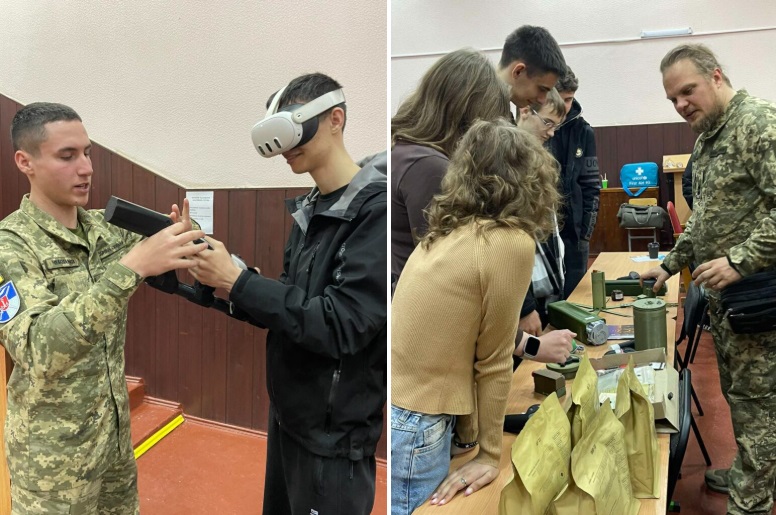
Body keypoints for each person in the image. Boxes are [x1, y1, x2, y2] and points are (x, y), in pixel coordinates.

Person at [187, 73, 386, 515]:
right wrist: (230, 278)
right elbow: (293, 305)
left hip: (332, 440)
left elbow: (341, 324)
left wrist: (240, 283)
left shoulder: (375, 213)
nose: (285, 150)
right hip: (289, 419)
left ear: (335, 119)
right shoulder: (311, 208)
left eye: (295, 131)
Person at [0, 102, 207, 513]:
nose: (86, 168)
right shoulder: (11, 245)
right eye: (67, 156)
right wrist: (132, 268)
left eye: (87, 152)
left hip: (112, 445)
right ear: (26, 162)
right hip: (54, 465)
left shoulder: (103, 228)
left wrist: (185, 231)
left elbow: (183, 237)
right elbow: (38, 348)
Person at [391, 118, 563, 513]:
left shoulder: (445, 232)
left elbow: (463, 342)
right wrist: (489, 454)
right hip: (419, 422)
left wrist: (469, 434)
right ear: (531, 178)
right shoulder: (509, 241)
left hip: (407, 413)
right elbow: (494, 360)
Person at [642, 44, 776, 515]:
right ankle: (748, 471)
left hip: (758, 295)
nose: (681, 105)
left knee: (758, 402)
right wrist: (669, 264)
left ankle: (751, 502)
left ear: (716, 76)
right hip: (729, 302)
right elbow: (702, 220)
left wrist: (740, 260)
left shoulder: (758, 124)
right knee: (740, 395)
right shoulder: (707, 137)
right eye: (672, 99)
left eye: (688, 91)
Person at [516, 88, 568, 326]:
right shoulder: (506, 160)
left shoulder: (539, 158)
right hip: (523, 290)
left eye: (556, 126)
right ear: (525, 110)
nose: (551, 132)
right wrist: (525, 307)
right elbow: (509, 241)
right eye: (547, 123)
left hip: (545, 283)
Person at [549, 66, 601, 298]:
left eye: (569, 99)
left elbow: (591, 186)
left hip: (575, 232)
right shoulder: (535, 127)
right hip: (543, 232)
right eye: (559, 99)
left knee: (575, 298)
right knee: (548, 298)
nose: (564, 106)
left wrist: (585, 233)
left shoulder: (584, 131)